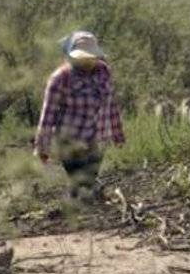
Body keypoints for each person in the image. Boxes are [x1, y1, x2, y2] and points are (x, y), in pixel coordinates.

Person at [35, 31, 125, 201]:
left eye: (91, 57)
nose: (88, 62)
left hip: (98, 138)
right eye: (83, 58)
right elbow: (48, 114)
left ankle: (85, 212)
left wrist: (117, 134)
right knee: (79, 181)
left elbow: (111, 104)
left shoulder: (104, 72)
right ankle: (78, 214)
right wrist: (43, 147)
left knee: (88, 180)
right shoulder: (60, 78)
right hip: (70, 140)